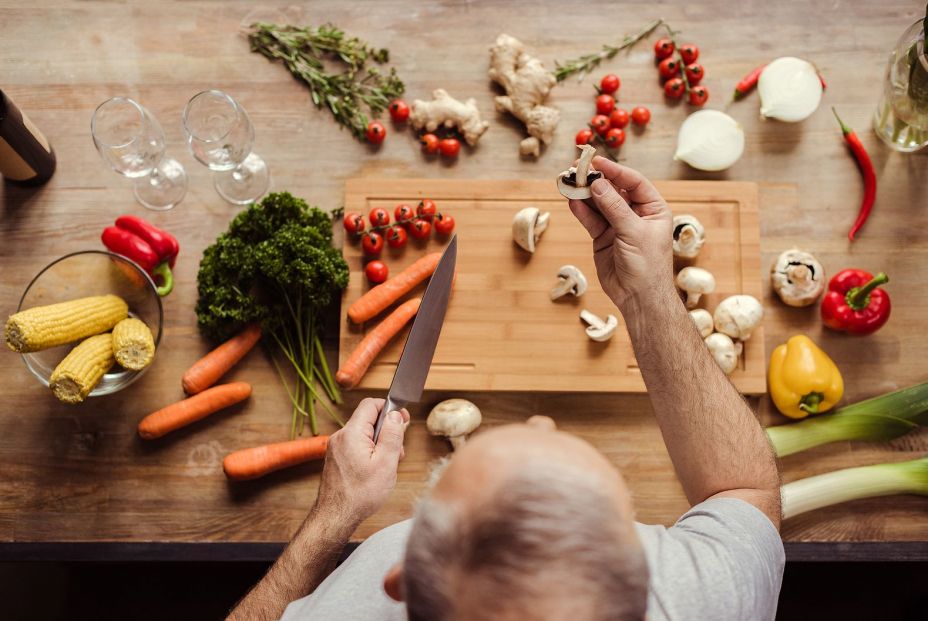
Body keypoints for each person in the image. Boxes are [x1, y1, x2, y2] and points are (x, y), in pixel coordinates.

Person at [228, 159, 784, 621]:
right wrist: (648, 295)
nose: (541, 421)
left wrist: (333, 517)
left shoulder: (349, 610)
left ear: (396, 583)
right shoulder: (700, 602)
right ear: (643, 580)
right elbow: (745, 490)